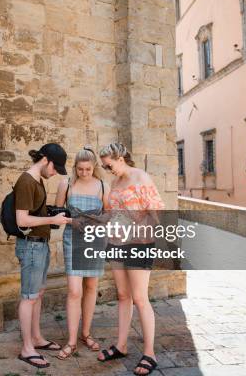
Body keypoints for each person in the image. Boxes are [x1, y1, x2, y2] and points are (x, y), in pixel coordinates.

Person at [97, 143, 164, 376]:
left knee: (140, 298)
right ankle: (121, 345)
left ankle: (149, 353)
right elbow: (113, 213)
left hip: (139, 244)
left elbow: (155, 212)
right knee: (123, 295)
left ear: (120, 158)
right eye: (105, 167)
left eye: (109, 165)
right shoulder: (114, 183)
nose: (108, 169)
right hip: (116, 242)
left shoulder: (141, 177)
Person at [14, 143, 72, 369]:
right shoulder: (27, 181)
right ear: (45, 160)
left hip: (39, 245)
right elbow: (22, 220)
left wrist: (52, 213)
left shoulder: (37, 181)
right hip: (30, 247)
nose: (55, 172)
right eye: (55, 167)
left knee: (37, 293)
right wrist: (52, 220)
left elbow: (34, 213)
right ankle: (26, 348)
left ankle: (36, 338)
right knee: (29, 296)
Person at [53, 146, 109, 360]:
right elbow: (57, 215)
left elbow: (110, 214)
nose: (84, 173)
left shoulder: (102, 185)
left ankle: (86, 333)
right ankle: (71, 341)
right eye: (80, 169)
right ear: (75, 167)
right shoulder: (66, 184)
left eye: (88, 169)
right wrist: (70, 220)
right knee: (74, 291)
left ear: (93, 167)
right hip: (72, 240)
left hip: (95, 240)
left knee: (91, 286)